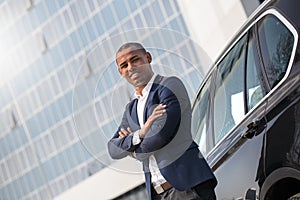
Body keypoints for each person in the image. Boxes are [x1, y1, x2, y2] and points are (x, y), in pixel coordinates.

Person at [107, 42, 217, 200]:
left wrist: (134, 151)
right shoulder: (130, 109)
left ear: (148, 57)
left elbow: (160, 136)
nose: (131, 67)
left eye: (135, 60)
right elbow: (112, 148)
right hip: (159, 194)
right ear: (120, 72)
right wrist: (141, 133)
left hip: (188, 187)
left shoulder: (169, 86)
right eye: (124, 65)